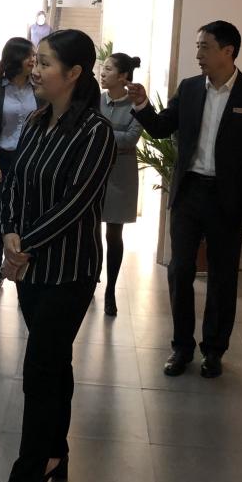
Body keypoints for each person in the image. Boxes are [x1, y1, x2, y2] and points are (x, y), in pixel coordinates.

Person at [0, 29, 116, 482]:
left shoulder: (96, 133)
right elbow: (15, 184)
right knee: (54, 360)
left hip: (69, 270)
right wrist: (9, 233)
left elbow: (76, 204)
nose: (34, 71)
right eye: (35, 62)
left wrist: (25, 245)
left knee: (38, 369)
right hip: (31, 270)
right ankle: (55, 451)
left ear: (74, 73)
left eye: (46, 64)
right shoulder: (37, 122)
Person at [128, 20, 242, 380]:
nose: (198, 55)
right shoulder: (190, 88)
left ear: (228, 51)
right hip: (190, 191)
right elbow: (161, 127)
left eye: (205, 47)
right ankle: (181, 347)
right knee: (180, 270)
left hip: (229, 198)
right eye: (197, 47)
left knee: (223, 276)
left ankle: (214, 350)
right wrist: (142, 104)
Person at [0, 37, 40, 288]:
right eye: (29, 56)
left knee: (29, 214)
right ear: (16, 58)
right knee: (1, 216)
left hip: (32, 159)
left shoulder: (38, 87)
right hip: (3, 159)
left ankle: (24, 267)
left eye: (35, 56)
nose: (34, 60)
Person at [99, 52, 144, 316]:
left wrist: (100, 133)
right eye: (102, 68)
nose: (102, 73)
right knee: (90, 231)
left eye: (108, 69)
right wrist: (115, 136)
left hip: (121, 175)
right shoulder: (96, 100)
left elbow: (131, 139)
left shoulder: (136, 104)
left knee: (114, 235)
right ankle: (90, 279)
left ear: (123, 76)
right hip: (95, 173)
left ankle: (110, 290)